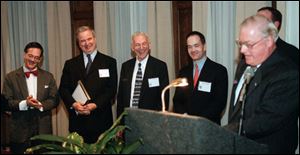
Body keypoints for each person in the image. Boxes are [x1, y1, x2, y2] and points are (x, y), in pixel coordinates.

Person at [226, 15, 299, 154]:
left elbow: (265, 120)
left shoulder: (287, 74)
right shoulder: (244, 64)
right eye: (240, 43)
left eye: (249, 44)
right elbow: (237, 108)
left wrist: (222, 131)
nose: (242, 50)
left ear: (269, 41)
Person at [59, 26, 117, 144]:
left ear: (94, 39)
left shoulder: (109, 62)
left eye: (89, 39)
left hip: (101, 120)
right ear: (78, 43)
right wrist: (74, 104)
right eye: (82, 41)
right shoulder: (70, 64)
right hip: (78, 122)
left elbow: (111, 89)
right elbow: (63, 89)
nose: (87, 43)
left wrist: (95, 105)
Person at [2, 42, 59, 154]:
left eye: (36, 58)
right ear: (25, 55)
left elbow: (55, 99)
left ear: (40, 59)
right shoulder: (11, 77)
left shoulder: (48, 77)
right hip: (20, 131)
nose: (33, 60)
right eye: (30, 56)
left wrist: (41, 105)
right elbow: (5, 103)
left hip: (43, 131)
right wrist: (25, 103)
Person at [173, 31, 228, 125]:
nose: (193, 50)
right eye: (189, 47)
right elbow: (177, 100)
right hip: (186, 125)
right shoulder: (183, 72)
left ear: (204, 46)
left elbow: (219, 103)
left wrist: (198, 121)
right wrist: (185, 116)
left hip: (208, 127)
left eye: (196, 45)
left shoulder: (219, 71)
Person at [117, 32, 169, 117]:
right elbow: (120, 97)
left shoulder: (160, 66)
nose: (141, 48)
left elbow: (164, 97)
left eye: (144, 44)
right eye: (137, 45)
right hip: (128, 118)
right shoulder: (125, 66)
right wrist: (119, 123)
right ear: (132, 48)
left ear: (149, 45)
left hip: (150, 120)